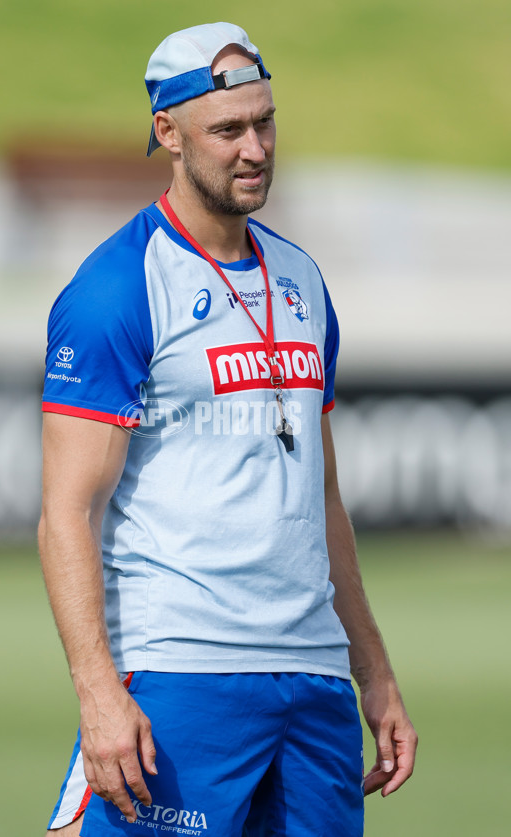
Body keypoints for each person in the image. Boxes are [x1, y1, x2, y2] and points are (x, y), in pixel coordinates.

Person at [39, 21, 417, 837]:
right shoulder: (118, 287)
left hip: (312, 682)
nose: (255, 149)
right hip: (181, 671)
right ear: (167, 134)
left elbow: (322, 497)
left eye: (266, 122)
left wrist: (373, 672)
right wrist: (100, 691)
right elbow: (67, 512)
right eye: (228, 130)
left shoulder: (304, 280)